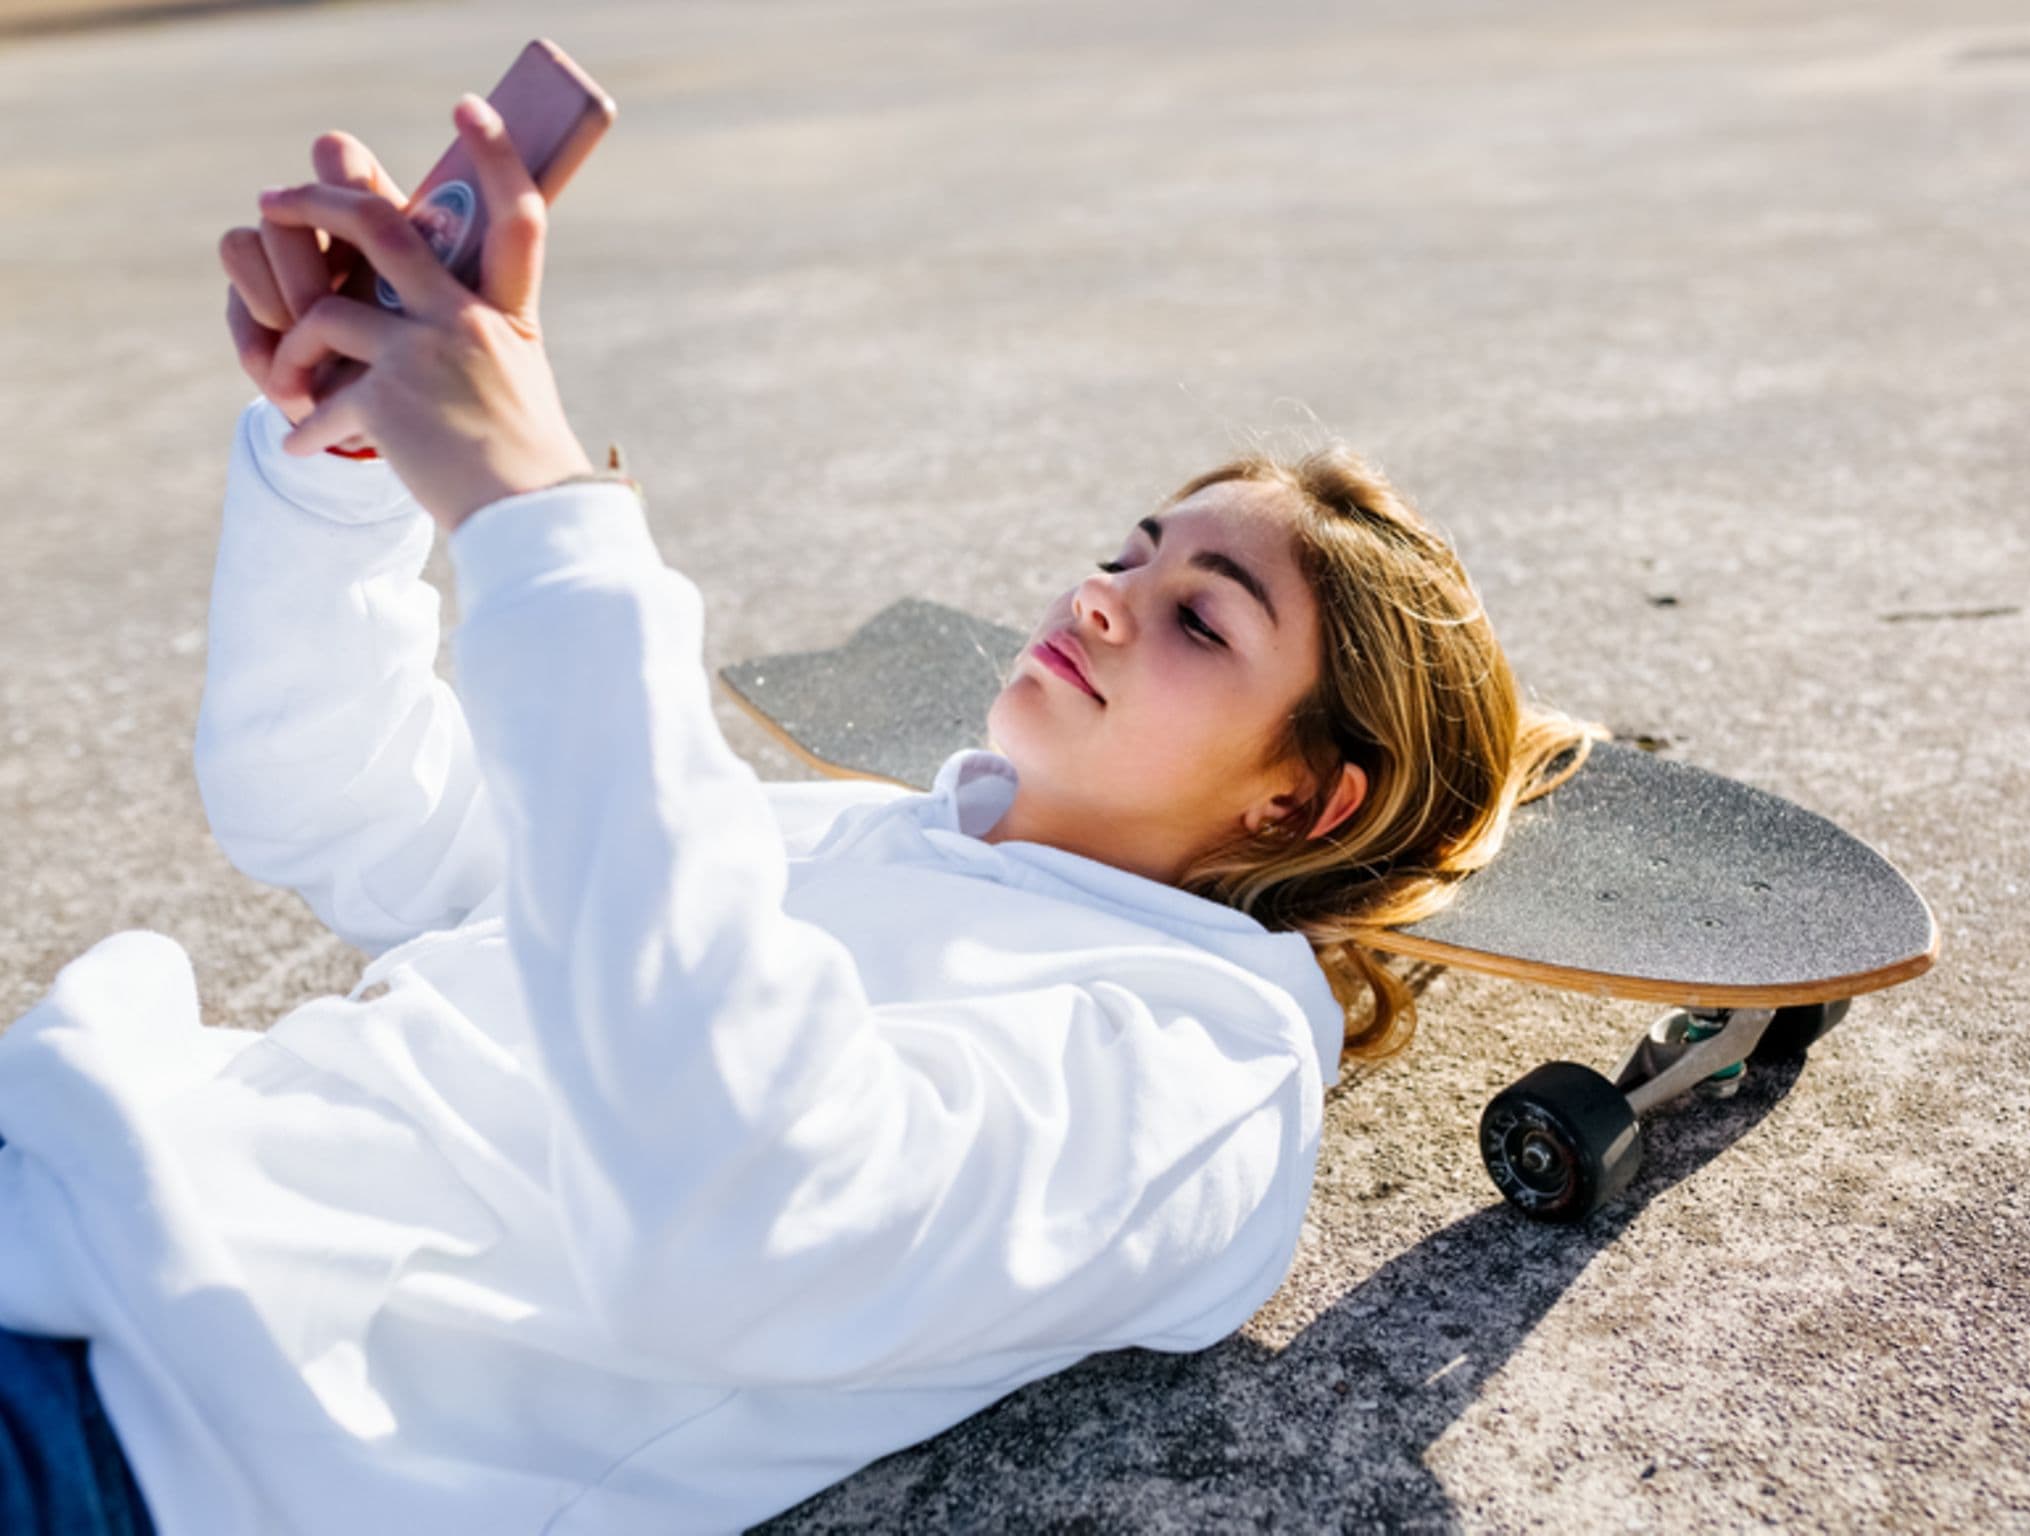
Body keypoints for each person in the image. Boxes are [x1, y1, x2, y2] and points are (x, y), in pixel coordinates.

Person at [0, 95, 1594, 1536]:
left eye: (1201, 619)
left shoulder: (1202, 1073)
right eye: (1130, 551)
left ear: (1301, 797)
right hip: (65, 1188)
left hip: (170, 1423)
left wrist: (547, 528)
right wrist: (345, 458)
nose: (1108, 599)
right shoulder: (837, 834)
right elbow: (340, 806)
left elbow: (752, 1220)